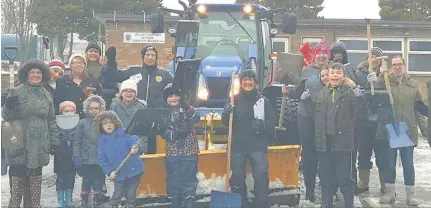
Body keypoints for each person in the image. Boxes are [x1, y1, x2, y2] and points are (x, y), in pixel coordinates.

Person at [367, 56, 428, 205]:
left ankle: (410, 195)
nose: (397, 67)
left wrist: (426, 131)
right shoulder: (386, 82)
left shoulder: (413, 85)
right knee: (389, 163)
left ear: (404, 66)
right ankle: (390, 193)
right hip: (391, 130)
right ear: (391, 67)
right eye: (394, 65)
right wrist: (376, 77)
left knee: (408, 163)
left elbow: (419, 110)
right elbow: (375, 94)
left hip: (408, 130)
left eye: (400, 64)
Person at [2, 60, 60, 208]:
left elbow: (52, 120)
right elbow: (6, 116)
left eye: (38, 72)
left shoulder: (46, 95)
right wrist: (8, 105)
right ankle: (14, 205)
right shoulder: (17, 91)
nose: (35, 75)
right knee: (17, 176)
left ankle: (34, 205)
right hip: (19, 140)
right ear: (26, 74)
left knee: (35, 176)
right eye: (32, 72)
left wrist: (54, 141)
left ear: (43, 75)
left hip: (40, 142)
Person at [283, 40, 331, 202]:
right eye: (319, 53)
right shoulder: (305, 71)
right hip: (307, 117)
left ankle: (327, 188)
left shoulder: (335, 71)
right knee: (309, 153)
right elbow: (297, 91)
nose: (322, 56)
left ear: (328, 56)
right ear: (314, 55)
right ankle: (310, 189)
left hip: (327, 119)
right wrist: (289, 92)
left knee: (325, 153)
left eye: (325, 53)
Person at [102, 45, 173, 153]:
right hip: (135, 117)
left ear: (156, 58)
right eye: (147, 55)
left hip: (156, 118)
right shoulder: (133, 71)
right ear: (143, 57)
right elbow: (114, 76)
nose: (150, 57)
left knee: (155, 149)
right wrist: (111, 61)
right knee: (137, 147)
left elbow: (174, 92)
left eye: (153, 55)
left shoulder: (164, 74)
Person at [313, 63, 365, 208]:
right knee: (325, 178)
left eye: (338, 73)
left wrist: (357, 92)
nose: (335, 75)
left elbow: (361, 114)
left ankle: (348, 204)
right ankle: (326, 204)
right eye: (332, 73)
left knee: (344, 178)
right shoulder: (320, 95)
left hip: (342, 143)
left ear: (344, 77)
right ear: (327, 76)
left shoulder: (349, 94)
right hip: (324, 144)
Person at [222, 70, 276, 208]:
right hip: (238, 146)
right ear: (240, 83)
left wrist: (262, 125)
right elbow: (225, 122)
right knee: (238, 176)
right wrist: (227, 112)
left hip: (257, 145)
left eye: (250, 79)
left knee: (261, 175)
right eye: (245, 80)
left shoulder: (263, 101)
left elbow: (271, 122)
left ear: (255, 82)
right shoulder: (234, 100)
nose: (247, 82)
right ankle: (241, 203)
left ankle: (261, 203)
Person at [354, 47, 388, 195]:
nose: (373, 59)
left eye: (376, 56)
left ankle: (385, 184)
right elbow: (356, 93)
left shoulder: (386, 74)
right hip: (364, 119)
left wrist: (379, 79)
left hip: (381, 119)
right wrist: (364, 87)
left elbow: (390, 93)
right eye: (371, 56)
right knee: (363, 152)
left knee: (382, 153)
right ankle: (363, 182)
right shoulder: (359, 73)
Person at [161, 83, 200, 208]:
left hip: (190, 152)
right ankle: (174, 200)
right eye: (170, 96)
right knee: (174, 178)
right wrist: (175, 134)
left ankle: (188, 199)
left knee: (189, 177)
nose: (173, 98)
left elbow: (196, 118)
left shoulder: (188, 109)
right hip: (173, 153)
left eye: (176, 96)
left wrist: (187, 107)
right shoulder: (164, 113)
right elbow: (162, 131)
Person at [94, 110, 144, 208]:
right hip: (118, 172)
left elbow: (136, 141)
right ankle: (113, 204)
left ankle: (130, 204)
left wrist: (136, 148)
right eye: (105, 123)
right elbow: (102, 159)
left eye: (111, 122)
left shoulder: (125, 133)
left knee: (131, 192)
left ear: (115, 122)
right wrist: (109, 172)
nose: (108, 125)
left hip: (133, 169)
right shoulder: (102, 140)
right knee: (118, 192)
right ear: (100, 126)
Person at [73, 94, 106, 207]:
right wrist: (77, 156)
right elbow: (76, 141)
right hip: (86, 156)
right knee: (86, 180)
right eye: (92, 108)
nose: (94, 111)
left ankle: (97, 198)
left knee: (98, 179)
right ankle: (84, 199)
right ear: (87, 109)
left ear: (101, 109)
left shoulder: (104, 122)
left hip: (99, 157)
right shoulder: (82, 123)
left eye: (97, 108)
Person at [54, 54, 103, 118]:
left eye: (81, 63)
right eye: (75, 63)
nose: (78, 65)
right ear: (70, 65)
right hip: (67, 118)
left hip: (87, 119)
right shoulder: (62, 81)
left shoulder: (92, 81)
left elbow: (100, 100)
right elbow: (56, 101)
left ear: (85, 65)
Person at [55, 101, 79, 207]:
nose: (69, 113)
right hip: (60, 155)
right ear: (61, 112)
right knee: (60, 179)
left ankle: (69, 198)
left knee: (71, 178)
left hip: (72, 156)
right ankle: (60, 199)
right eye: (66, 111)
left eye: (71, 111)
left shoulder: (77, 124)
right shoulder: (57, 125)